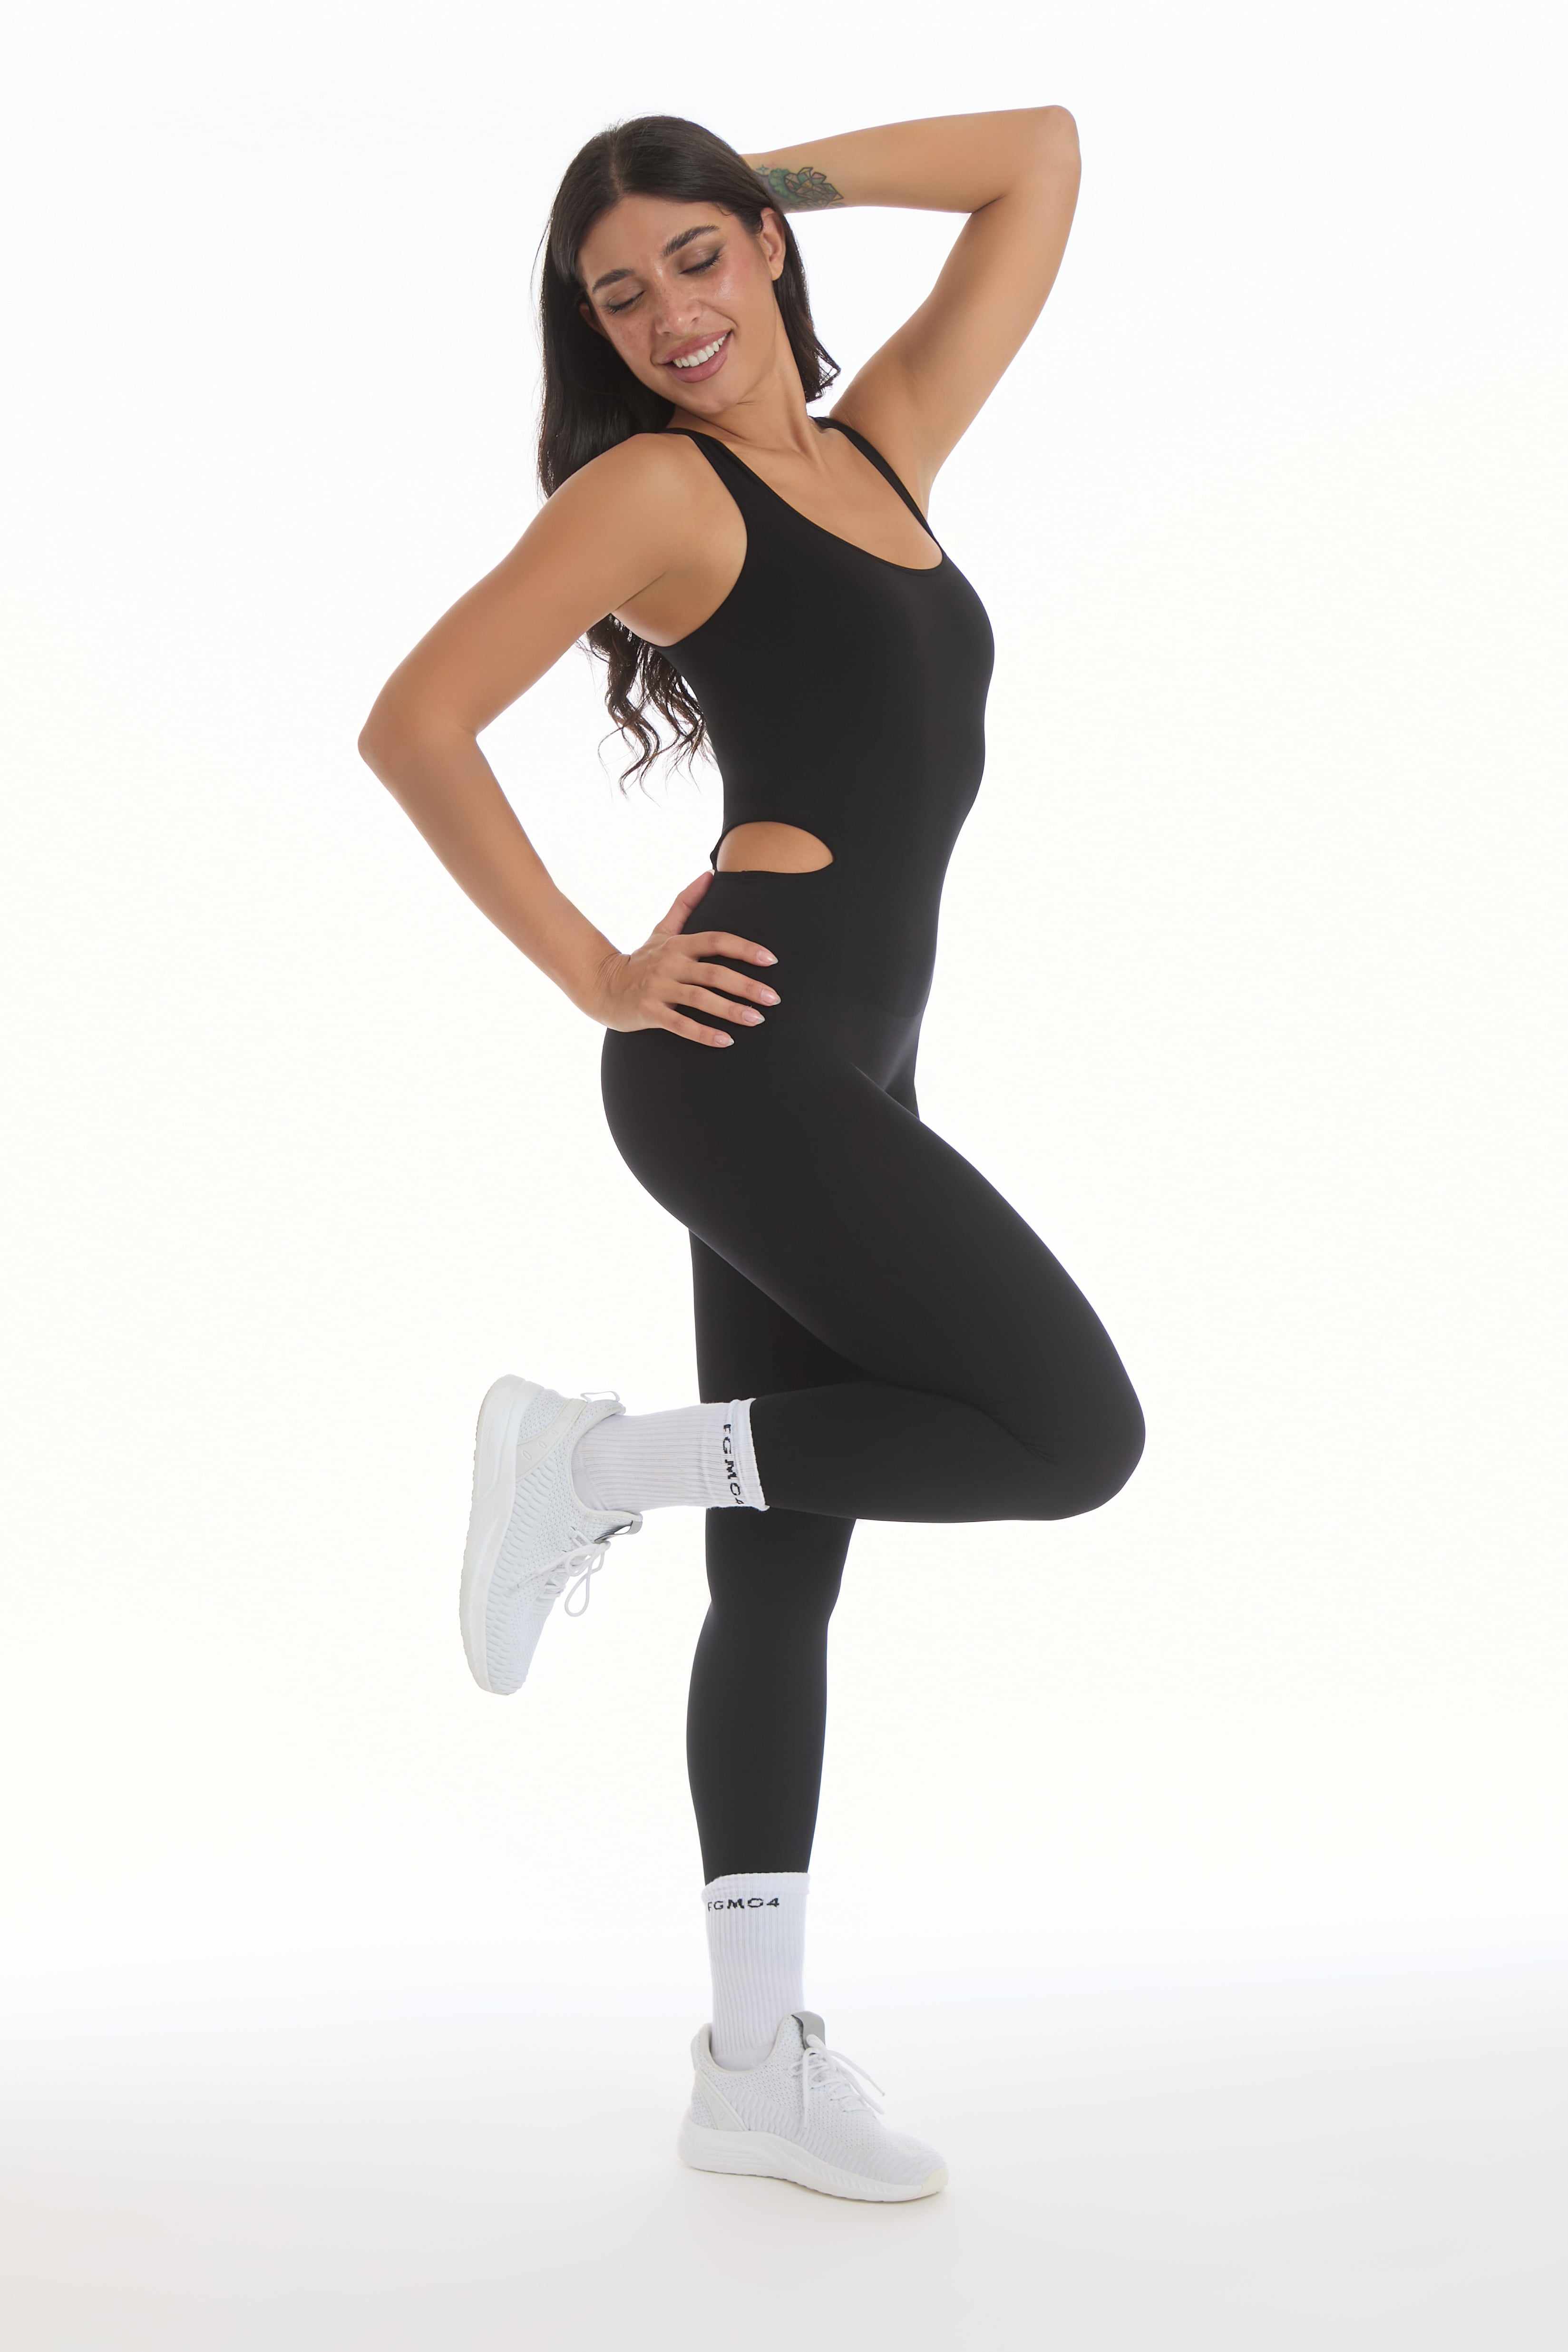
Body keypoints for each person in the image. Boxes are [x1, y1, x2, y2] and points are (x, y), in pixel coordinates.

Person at [359, 106, 1142, 2204]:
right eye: (619, 296)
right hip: (743, 1062)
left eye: (696, 258)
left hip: (851, 1076)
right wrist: (595, 971)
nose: (670, 316)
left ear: (764, 253)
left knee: (781, 1571)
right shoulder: (654, 490)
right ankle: (592, 1463)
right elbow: (415, 721)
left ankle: (747, 2065)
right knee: (1071, 1433)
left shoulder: (881, 447)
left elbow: (1042, 159)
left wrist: (755, 172)